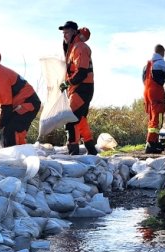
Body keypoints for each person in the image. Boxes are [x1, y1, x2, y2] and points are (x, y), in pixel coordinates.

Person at [0, 48, 41, 147]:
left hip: (28, 104)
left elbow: (6, 107)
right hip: (19, 103)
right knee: (8, 131)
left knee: (12, 131)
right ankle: (14, 156)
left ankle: (18, 159)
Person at [58, 21, 96, 155]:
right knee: (80, 120)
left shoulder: (80, 48)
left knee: (71, 119)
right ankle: (91, 151)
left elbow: (82, 72)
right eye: (63, 33)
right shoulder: (72, 48)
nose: (64, 35)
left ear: (75, 32)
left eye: (67, 32)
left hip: (82, 88)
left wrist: (68, 83)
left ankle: (73, 152)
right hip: (78, 88)